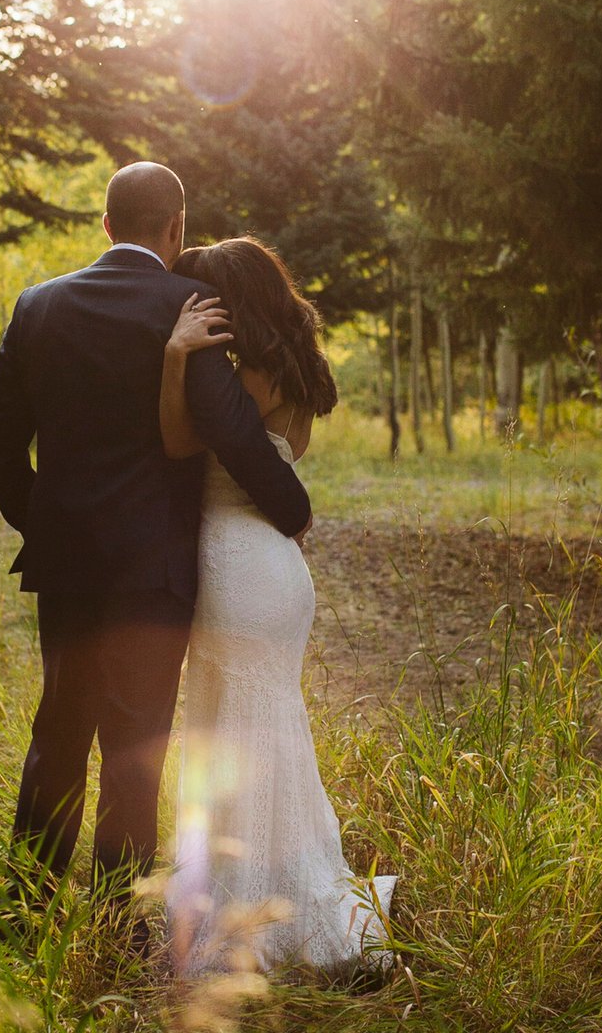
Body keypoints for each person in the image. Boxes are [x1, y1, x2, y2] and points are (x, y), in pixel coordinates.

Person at [0, 164, 311, 945]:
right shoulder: (189, 308)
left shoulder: (37, 306)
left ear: (104, 225)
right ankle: (119, 931)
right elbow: (232, 431)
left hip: (67, 570)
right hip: (154, 574)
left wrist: (45, 526)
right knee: (135, 753)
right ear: (176, 229)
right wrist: (293, 509)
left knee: (56, 738)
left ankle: (26, 915)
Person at [160, 236, 397, 978]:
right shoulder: (289, 365)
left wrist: (174, 358)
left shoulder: (238, 380)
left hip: (238, 567)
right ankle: (269, 895)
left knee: (238, 736)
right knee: (262, 731)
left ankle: (255, 916)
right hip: (275, 568)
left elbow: (176, 442)